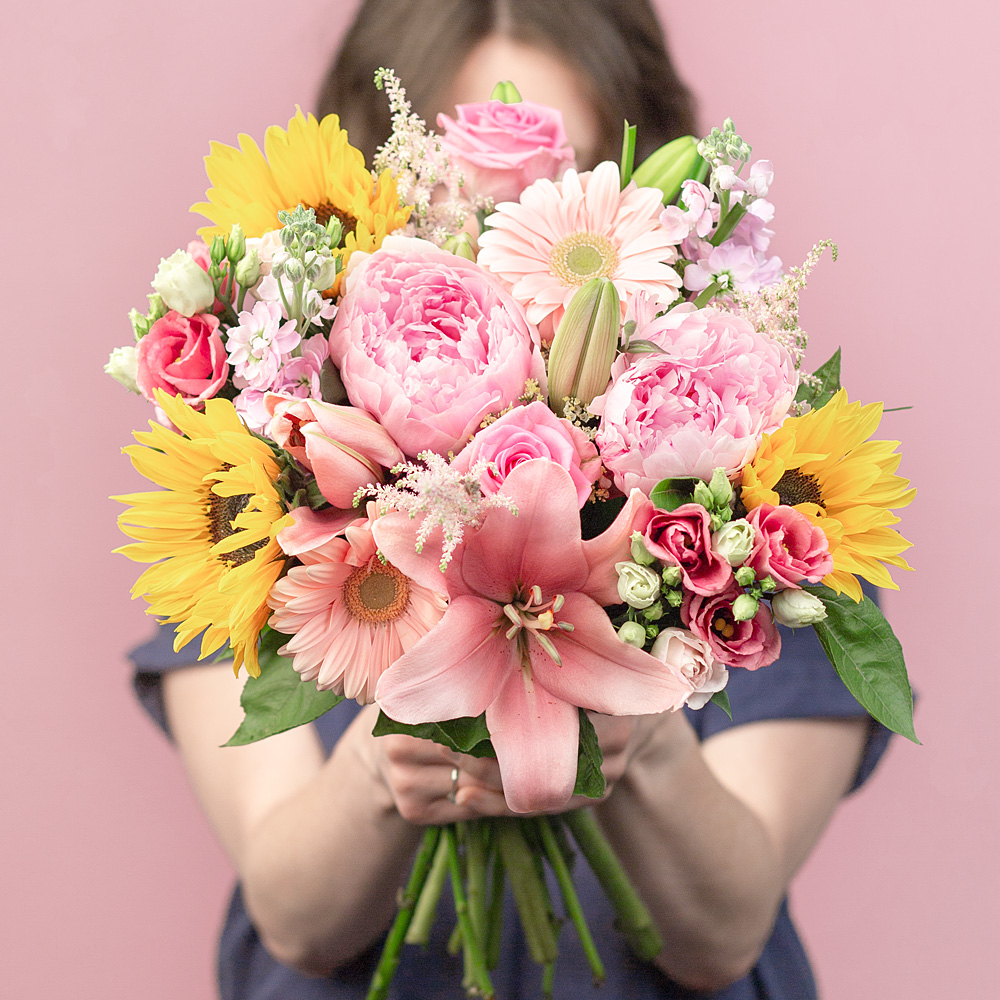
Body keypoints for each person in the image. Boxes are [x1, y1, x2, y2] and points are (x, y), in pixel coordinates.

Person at [131, 2, 892, 997]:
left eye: (555, 178)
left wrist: (638, 733)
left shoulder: (757, 515)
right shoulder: (238, 495)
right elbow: (295, 918)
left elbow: (723, 933)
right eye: (448, 185)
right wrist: (390, 754)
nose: (497, 240)